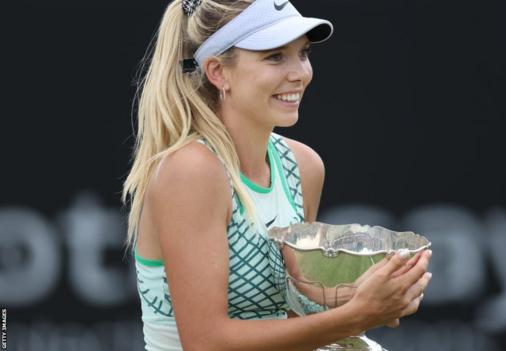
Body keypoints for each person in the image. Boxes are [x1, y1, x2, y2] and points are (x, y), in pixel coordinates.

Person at [121, 0, 433, 350]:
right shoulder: (191, 171)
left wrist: (360, 297)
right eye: (275, 57)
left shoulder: (303, 166)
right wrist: (353, 316)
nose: (300, 72)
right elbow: (205, 343)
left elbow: (289, 322)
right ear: (218, 72)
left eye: (303, 53)